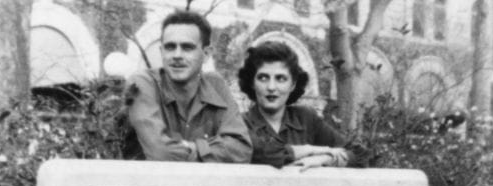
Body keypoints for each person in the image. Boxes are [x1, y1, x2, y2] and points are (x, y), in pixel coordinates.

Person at [124, 10, 252, 162]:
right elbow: (160, 153)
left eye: (187, 47)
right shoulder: (143, 83)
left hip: (203, 185)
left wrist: (193, 148)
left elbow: (242, 149)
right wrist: (205, 151)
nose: (177, 55)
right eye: (170, 47)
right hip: (150, 184)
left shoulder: (216, 86)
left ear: (206, 54)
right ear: (161, 51)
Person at [237, 41, 367, 170]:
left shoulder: (305, 119)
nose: (271, 87)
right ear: (252, 83)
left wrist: (325, 159)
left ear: (293, 84)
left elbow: (359, 155)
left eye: (281, 78)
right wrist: (311, 150)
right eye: (263, 78)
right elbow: (264, 153)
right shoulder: (241, 123)